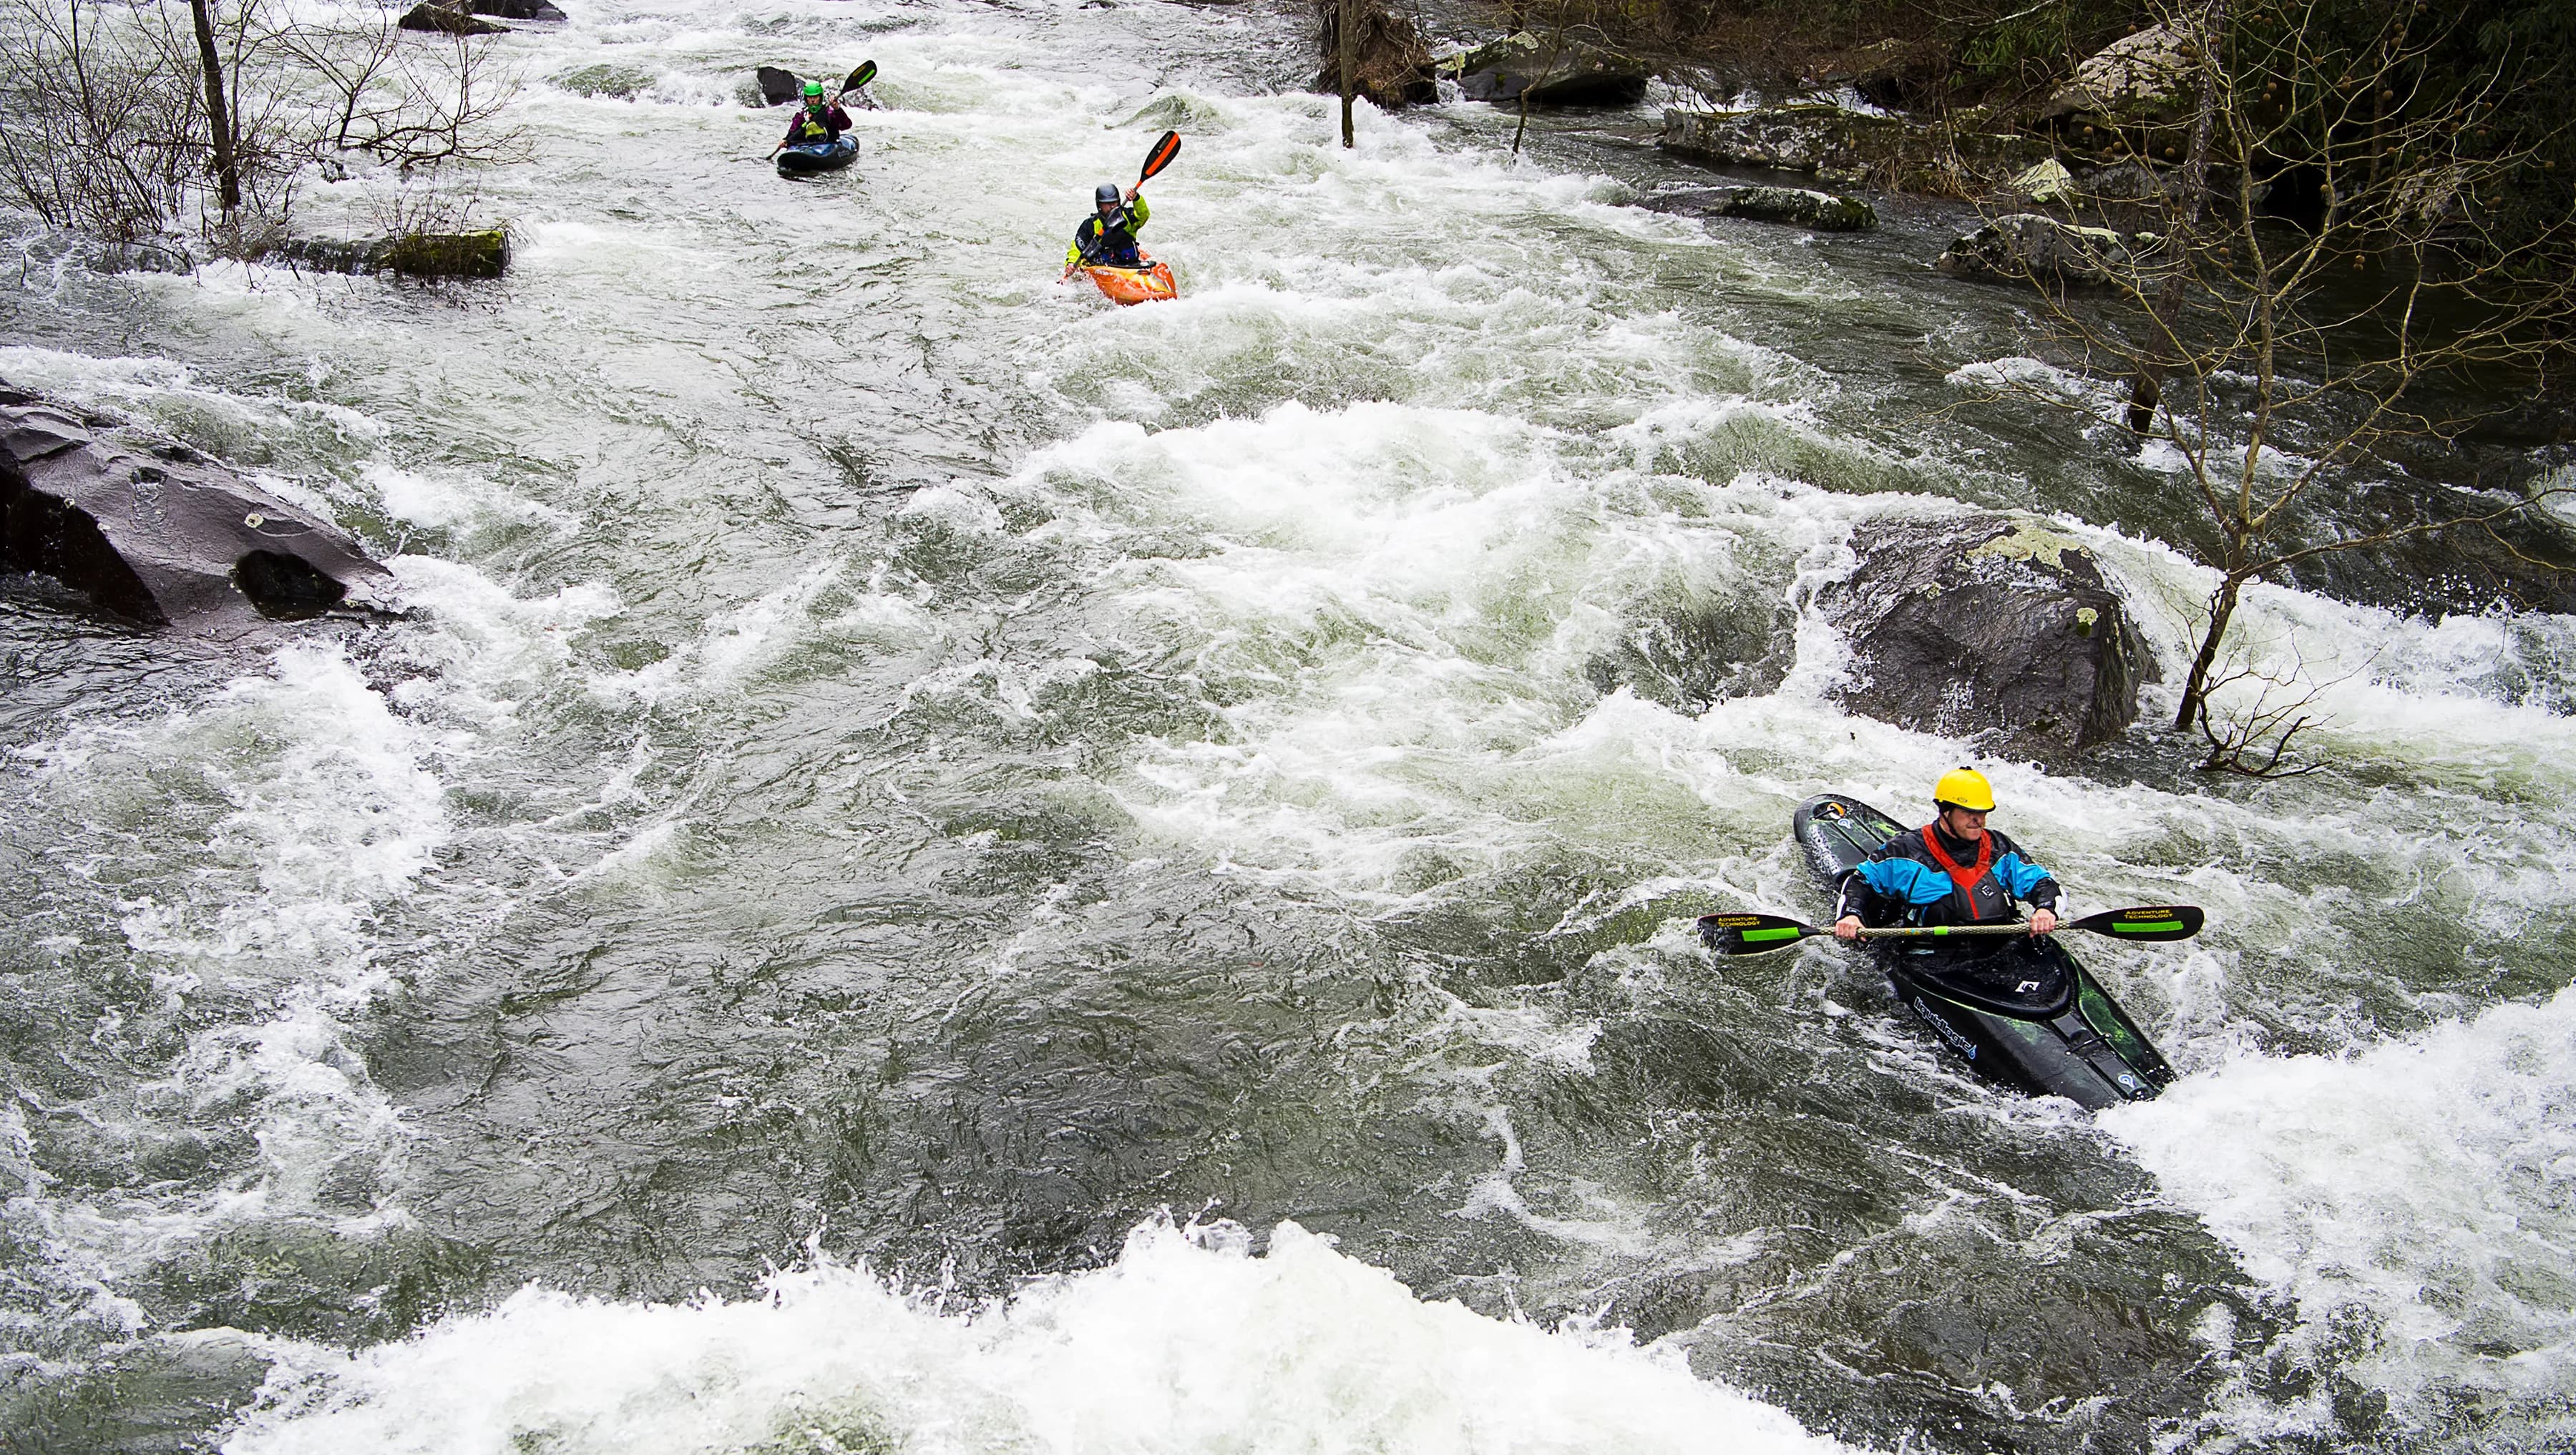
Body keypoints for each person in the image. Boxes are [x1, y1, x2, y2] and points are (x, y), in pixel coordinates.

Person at [1833, 767, 2062, 941]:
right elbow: (1861, 882)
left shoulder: (1999, 848)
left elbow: (2044, 883)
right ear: (1946, 811)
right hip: (1931, 953)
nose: (1978, 820)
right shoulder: (1905, 852)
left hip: (1998, 946)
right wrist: (1851, 915)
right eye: (1969, 813)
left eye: (1982, 813)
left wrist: (2045, 909)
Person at [1064, 182, 1150, 273]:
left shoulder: (1127, 217)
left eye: (1114, 202)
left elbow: (1143, 215)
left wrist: (1136, 198)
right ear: (1099, 205)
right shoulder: (1090, 225)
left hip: (1130, 266)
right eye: (1107, 204)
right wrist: (1071, 263)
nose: (1112, 206)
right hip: (1105, 269)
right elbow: (1077, 247)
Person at [779, 81, 850, 150]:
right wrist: (786, 141)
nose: (813, 100)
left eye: (816, 97)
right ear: (806, 98)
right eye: (810, 97)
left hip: (829, 146)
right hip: (808, 148)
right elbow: (792, 133)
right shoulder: (802, 115)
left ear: (820, 97)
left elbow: (846, 125)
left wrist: (837, 109)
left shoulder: (830, 113)